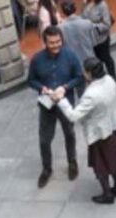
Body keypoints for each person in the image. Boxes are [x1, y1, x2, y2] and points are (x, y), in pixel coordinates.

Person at [52, 58, 116, 204]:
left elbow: (73, 116)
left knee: (101, 166)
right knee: (114, 160)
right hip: (112, 126)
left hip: (98, 133)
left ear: (89, 72)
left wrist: (60, 100)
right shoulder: (109, 80)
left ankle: (107, 194)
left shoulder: (91, 93)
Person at [27, 26, 84, 188]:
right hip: (47, 105)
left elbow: (79, 77)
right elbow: (31, 80)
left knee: (69, 134)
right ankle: (47, 168)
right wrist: (42, 88)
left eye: (58, 41)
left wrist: (65, 87)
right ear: (45, 42)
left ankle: (72, 162)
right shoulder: (37, 59)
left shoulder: (70, 56)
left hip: (65, 103)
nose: (55, 45)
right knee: (44, 139)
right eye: (51, 43)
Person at [83, 0, 116, 81]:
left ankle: (113, 77)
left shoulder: (102, 6)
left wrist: (93, 26)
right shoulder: (86, 2)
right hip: (90, 38)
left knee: (106, 57)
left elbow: (107, 24)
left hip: (101, 39)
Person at [58, 0, 99, 75]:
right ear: (75, 8)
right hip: (90, 60)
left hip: (73, 63)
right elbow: (94, 42)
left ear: (62, 12)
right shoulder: (87, 23)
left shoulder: (59, 28)